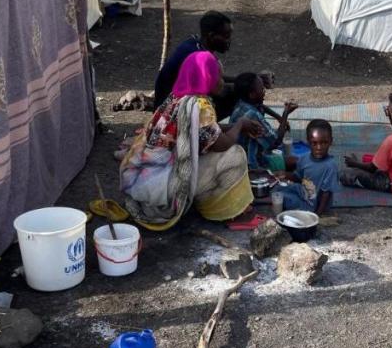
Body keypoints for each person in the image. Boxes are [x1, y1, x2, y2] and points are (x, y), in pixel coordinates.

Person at [120, 52, 263, 230]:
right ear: (206, 76)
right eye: (217, 75)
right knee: (235, 154)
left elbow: (205, 131)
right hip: (165, 192)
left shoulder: (178, 96)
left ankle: (201, 199)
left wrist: (235, 125)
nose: (222, 81)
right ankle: (224, 212)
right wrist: (241, 124)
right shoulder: (200, 106)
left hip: (146, 183)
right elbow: (223, 143)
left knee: (211, 152)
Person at [229, 72, 298, 170]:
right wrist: (285, 113)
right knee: (297, 162)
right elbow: (276, 141)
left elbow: (260, 106)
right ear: (252, 94)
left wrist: (278, 117)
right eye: (262, 89)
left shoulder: (242, 103)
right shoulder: (253, 115)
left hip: (242, 158)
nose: (264, 91)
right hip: (252, 165)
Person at [274, 120, 339, 213]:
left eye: (324, 143)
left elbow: (326, 194)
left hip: (314, 205)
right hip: (304, 192)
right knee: (278, 189)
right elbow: (298, 178)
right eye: (314, 143)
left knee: (289, 200)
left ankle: (303, 211)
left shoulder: (330, 166)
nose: (319, 148)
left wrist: (317, 215)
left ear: (330, 141)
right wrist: (284, 175)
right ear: (308, 142)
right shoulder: (304, 158)